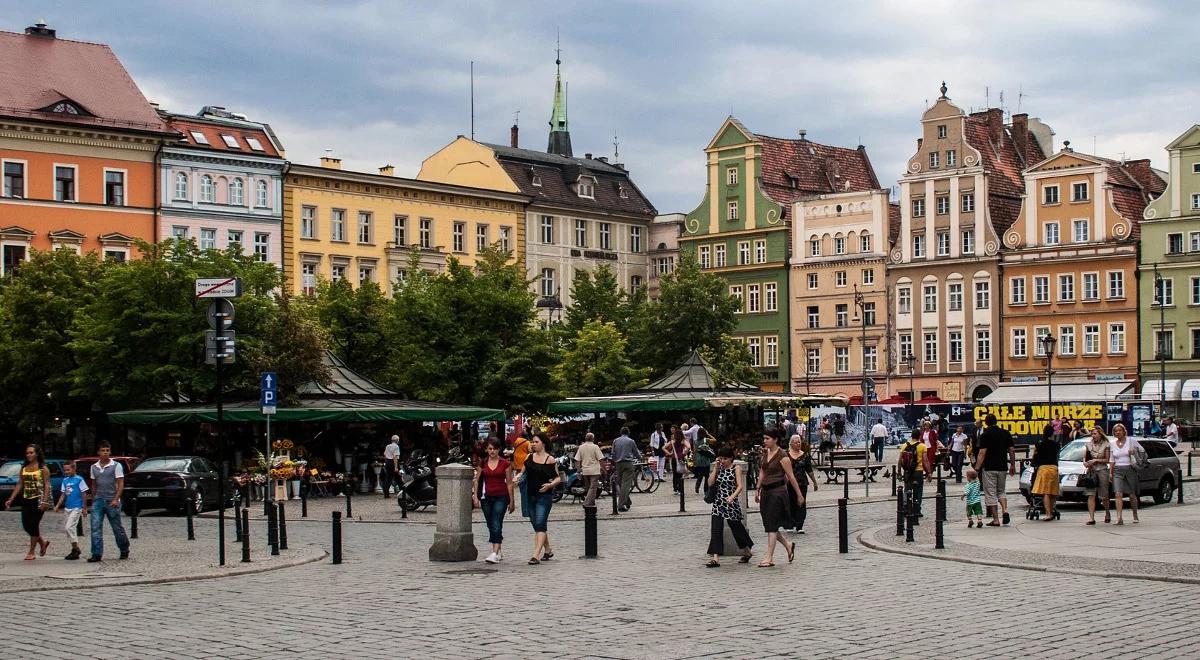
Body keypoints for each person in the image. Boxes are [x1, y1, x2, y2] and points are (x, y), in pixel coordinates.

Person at [753, 434, 803, 567]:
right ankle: (788, 545)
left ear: (775, 439)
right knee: (769, 524)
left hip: (778, 492)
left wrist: (799, 495)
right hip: (766, 492)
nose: (764, 441)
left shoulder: (783, 456)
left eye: (767, 438)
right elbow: (762, 471)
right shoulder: (766, 453)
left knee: (772, 524)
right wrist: (757, 488)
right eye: (763, 438)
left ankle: (769, 557)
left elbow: (791, 476)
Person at [704, 446, 753, 568]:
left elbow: (740, 486)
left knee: (736, 528)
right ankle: (716, 558)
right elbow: (710, 483)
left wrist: (732, 497)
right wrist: (715, 469)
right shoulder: (719, 468)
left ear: (731, 458)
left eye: (725, 458)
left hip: (731, 503)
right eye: (721, 458)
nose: (723, 461)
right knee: (716, 529)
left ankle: (747, 551)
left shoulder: (736, 468)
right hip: (718, 503)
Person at [4, 444, 52, 561]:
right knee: (26, 525)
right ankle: (42, 542)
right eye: (27, 453)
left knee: (34, 524)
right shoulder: (24, 468)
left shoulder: (43, 468)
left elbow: (47, 485)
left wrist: (45, 501)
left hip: (39, 499)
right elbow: (20, 483)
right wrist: (11, 498)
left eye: (31, 452)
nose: (29, 455)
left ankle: (31, 551)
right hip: (26, 499)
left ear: (37, 454)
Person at [472, 439, 514, 564]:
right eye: (490, 449)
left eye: (494, 449)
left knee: (496, 522)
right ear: (486, 450)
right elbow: (477, 480)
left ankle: (494, 552)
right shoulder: (483, 463)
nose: (492, 451)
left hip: (501, 496)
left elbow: (510, 483)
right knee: (491, 523)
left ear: (499, 449)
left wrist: (512, 501)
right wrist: (475, 496)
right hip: (486, 497)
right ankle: (498, 549)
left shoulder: (505, 464)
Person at [521, 435, 561, 564]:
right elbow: (523, 472)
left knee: (540, 523)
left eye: (536, 442)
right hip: (530, 495)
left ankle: (535, 555)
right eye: (532, 442)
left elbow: (557, 478)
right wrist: (517, 477)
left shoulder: (550, 460)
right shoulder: (529, 457)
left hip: (544, 496)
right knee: (537, 524)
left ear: (543, 444)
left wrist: (550, 485)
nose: (533, 444)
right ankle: (548, 549)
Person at [88, 441, 130, 562]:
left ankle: (124, 548)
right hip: (99, 499)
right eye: (103, 450)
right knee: (95, 526)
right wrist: (93, 498)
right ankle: (96, 553)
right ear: (98, 452)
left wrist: (116, 499)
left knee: (116, 527)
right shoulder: (94, 467)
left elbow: (120, 483)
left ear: (110, 452)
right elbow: (94, 484)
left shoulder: (116, 465)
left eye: (107, 450)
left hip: (112, 499)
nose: (105, 453)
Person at [974, 413, 1016, 527]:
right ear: (996, 421)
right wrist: (1012, 465)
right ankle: (1005, 510)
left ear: (986, 423)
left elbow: (982, 453)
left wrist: (977, 468)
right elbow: (1011, 450)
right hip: (1002, 466)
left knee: (990, 493)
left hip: (989, 467)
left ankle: (996, 519)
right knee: (1001, 491)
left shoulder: (985, 435)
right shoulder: (1005, 433)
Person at [54, 461, 89, 560]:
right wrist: (58, 505)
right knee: (68, 529)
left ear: (74, 469)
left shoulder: (79, 479)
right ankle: (75, 549)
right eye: (65, 470)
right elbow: (63, 494)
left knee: (69, 527)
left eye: (68, 469)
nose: (66, 472)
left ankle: (75, 548)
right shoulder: (65, 480)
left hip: (76, 507)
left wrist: (84, 507)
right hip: (67, 507)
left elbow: (84, 494)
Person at [785, 435, 817, 533]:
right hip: (789, 483)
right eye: (796, 442)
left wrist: (815, 482)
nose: (798, 444)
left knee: (801, 503)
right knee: (790, 502)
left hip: (802, 482)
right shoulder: (786, 455)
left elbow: (809, 470)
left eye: (799, 442)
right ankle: (790, 524)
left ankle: (799, 525)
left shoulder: (805, 455)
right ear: (791, 443)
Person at [1110, 423, 1140, 525]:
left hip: (1129, 468)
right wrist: (1111, 472)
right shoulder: (1113, 443)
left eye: (1120, 430)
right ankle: (1119, 517)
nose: (1118, 432)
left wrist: (1134, 452)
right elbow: (1111, 459)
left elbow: (1142, 452)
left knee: (1132, 494)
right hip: (1117, 469)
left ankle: (1135, 515)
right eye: (1116, 431)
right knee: (1118, 493)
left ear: (1124, 431)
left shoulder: (1131, 441)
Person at [1030, 425, 1061, 521]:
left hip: (1043, 468)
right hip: (1054, 468)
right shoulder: (1056, 444)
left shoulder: (1040, 444)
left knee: (1046, 492)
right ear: (1052, 433)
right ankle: (1051, 511)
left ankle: (1048, 513)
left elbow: (1034, 456)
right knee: (1053, 492)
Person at [897, 429, 929, 518]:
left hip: (907, 471)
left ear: (911, 436)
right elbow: (925, 460)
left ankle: (906, 508)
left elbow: (900, 460)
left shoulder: (904, 445)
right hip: (918, 471)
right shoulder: (922, 446)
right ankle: (917, 509)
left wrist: (899, 471)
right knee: (918, 491)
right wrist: (929, 472)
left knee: (907, 490)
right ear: (919, 436)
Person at [1083, 427, 1112, 525]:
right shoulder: (1088, 444)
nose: (1093, 436)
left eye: (1095, 434)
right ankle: (1091, 518)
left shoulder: (1106, 444)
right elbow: (1085, 457)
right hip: (1092, 471)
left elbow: (1107, 460)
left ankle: (1107, 513)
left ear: (1100, 434)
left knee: (1104, 495)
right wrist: (1086, 463)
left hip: (1102, 470)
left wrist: (1096, 460)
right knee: (1091, 494)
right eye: (1092, 434)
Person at [610, 426, 640, 512]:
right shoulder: (631, 441)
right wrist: (640, 457)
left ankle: (627, 502)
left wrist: (615, 461)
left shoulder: (615, 441)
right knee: (626, 485)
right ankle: (620, 505)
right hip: (628, 463)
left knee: (620, 484)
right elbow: (636, 452)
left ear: (621, 432)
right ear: (628, 433)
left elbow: (613, 453)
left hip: (618, 464)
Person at [574, 432, 604, 507]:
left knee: (588, 488)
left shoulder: (581, 447)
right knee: (593, 488)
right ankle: (587, 503)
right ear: (593, 439)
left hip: (585, 471)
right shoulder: (595, 447)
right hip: (594, 470)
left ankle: (591, 503)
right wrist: (603, 468)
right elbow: (600, 459)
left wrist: (578, 470)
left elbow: (577, 460)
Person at [511, 432, 532, 518]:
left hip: (517, 458)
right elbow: (530, 451)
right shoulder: (527, 442)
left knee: (519, 473)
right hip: (524, 459)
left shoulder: (517, 441)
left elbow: (514, 448)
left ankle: (519, 481)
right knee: (524, 474)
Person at [691, 424, 715, 495]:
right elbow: (714, 440)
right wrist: (708, 434)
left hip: (698, 459)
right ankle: (705, 489)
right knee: (707, 475)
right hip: (706, 459)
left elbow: (694, 452)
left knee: (700, 475)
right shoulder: (706, 440)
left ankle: (697, 487)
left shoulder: (695, 441)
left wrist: (694, 461)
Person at [381, 434, 401, 498]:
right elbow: (395, 457)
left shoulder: (388, 446)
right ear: (397, 440)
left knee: (388, 478)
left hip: (388, 462)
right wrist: (396, 467)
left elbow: (384, 453)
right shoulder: (396, 446)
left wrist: (387, 458)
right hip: (393, 462)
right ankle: (403, 492)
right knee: (399, 477)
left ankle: (386, 493)